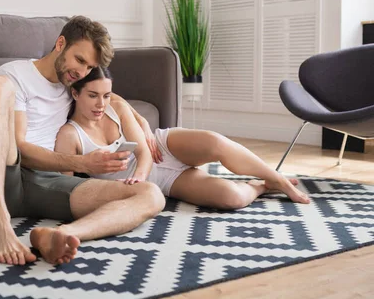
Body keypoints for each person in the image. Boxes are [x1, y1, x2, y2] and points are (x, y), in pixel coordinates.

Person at [0, 16, 166, 266]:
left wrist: (140, 120)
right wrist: (83, 164)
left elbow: (109, 95)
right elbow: (20, 148)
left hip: (43, 182)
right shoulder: (15, 74)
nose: (81, 72)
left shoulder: (73, 83)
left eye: (89, 67)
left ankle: (62, 235)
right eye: (79, 60)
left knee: (151, 194)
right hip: (6, 171)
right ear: (60, 44)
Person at [54, 67, 311, 210]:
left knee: (216, 143)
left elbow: (144, 152)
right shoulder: (69, 135)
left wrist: (139, 177)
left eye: (106, 95)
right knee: (231, 198)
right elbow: (65, 189)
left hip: (164, 147)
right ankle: (262, 185)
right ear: (75, 94)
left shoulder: (117, 108)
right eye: (92, 96)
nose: (101, 104)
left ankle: (280, 180)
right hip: (164, 181)